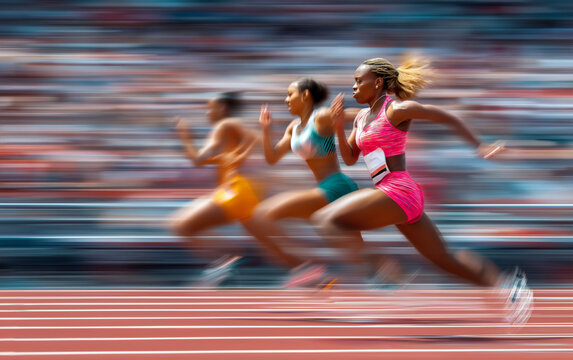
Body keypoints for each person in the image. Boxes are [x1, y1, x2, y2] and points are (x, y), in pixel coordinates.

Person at [311, 55, 532, 323]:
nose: (354, 87)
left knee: (326, 219)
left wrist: (480, 144)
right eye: (354, 82)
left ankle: (381, 271)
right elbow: (349, 158)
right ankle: (507, 286)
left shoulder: (395, 110)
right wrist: (336, 127)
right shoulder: (359, 119)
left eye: (359, 81)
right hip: (394, 194)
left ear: (378, 83)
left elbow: (444, 115)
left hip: (397, 189)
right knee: (442, 257)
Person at [248, 78, 374, 287]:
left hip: (336, 187)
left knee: (261, 215)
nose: (286, 99)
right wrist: (266, 130)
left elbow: (358, 116)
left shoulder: (321, 117)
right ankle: (392, 282)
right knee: (358, 253)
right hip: (324, 190)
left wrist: (347, 117)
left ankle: (302, 267)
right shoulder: (293, 128)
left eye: (290, 94)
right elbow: (272, 158)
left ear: (305, 96)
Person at [170, 91, 298, 286]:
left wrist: (185, 135)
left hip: (238, 191)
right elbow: (202, 159)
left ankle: (230, 259)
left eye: (209, 108)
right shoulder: (232, 132)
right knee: (270, 245)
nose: (207, 113)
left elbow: (199, 158)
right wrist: (238, 155)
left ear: (222, 108)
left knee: (182, 225)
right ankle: (306, 271)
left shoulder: (225, 125)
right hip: (245, 192)